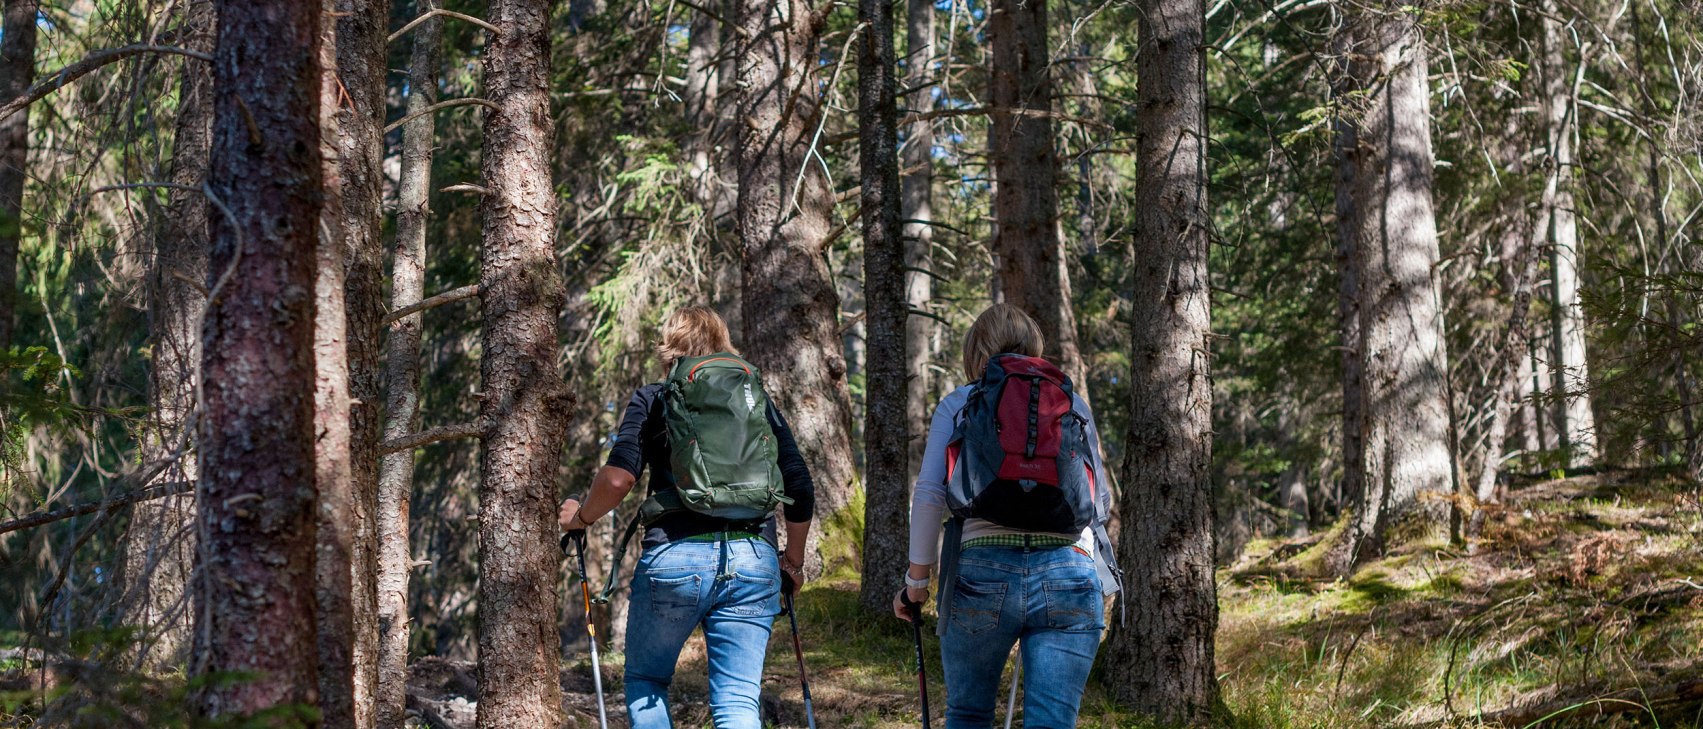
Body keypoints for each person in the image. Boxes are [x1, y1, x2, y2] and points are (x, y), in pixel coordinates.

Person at [559, 306, 814, 729]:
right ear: (723, 344)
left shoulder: (654, 398)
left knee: (646, 681)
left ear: (669, 347)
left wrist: (581, 518)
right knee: (736, 702)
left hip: (674, 557)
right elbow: (799, 485)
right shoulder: (754, 399)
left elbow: (619, 479)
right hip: (754, 558)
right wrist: (794, 562)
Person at [891, 304, 1113, 728]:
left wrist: (915, 584)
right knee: (1051, 721)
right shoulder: (1072, 402)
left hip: (981, 572)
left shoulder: (961, 402)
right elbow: (1098, 502)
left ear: (977, 350)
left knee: (970, 713)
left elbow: (931, 493)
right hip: (1069, 570)